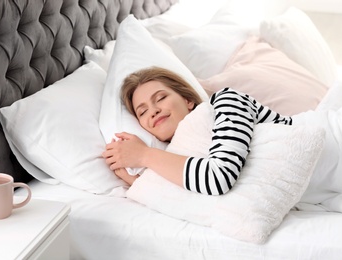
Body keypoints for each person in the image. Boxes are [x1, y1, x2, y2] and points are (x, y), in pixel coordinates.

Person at [102, 66, 292, 195]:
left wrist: (143, 155)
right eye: (142, 111)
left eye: (160, 98)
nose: (153, 111)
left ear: (187, 100)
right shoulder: (177, 161)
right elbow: (200, 202)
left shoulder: (226, 101)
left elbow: (219, 178)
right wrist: (137, 182)